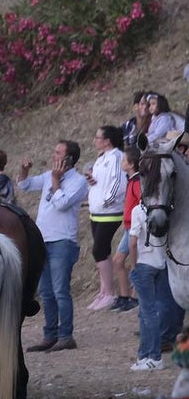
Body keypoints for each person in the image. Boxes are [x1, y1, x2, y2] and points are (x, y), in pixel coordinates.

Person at [18, 140, 89, 352]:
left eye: (58, 152)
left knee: (60, 291)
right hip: (43, 239)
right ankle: (50, 335)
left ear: (69, 159)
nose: (53, 155)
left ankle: (66, 336)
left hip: (62, 241)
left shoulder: (78, 181)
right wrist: (24, 170)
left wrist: (56, 181)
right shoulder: (50, 175)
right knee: (46, 291)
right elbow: (24, 185)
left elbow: (61, 203)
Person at [128, 200, 182, 370]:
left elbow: (132, 242)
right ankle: (144, 355)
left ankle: (154, 357)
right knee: (148, 312)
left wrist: (133, 265)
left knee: (148, 313)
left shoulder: (138, 210)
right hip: (160, 263)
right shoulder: (166, 211)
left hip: (144, 264)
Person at [85, 125, 126, 310]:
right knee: (103, 251)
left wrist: (106, 201)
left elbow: (119, 182)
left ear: (107, 140)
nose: (95, 140)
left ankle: (109, 293)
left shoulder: (117, 157)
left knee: (99, 250)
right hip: (96, 212)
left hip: (109, 213)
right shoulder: (101, 158)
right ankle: (104, 291)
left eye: (98, 137)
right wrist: (92, 181)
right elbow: (101, 181)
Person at [110, 145, 142, 313]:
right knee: (118, 260)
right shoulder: (132, 181)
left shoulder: (137, 182)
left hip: (134, 229)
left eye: (123, 160)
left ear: (131, 164)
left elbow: (142, 203)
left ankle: (135, 297)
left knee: (134, 262)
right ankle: (125, 296)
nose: (121, 162)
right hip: (128, 228)